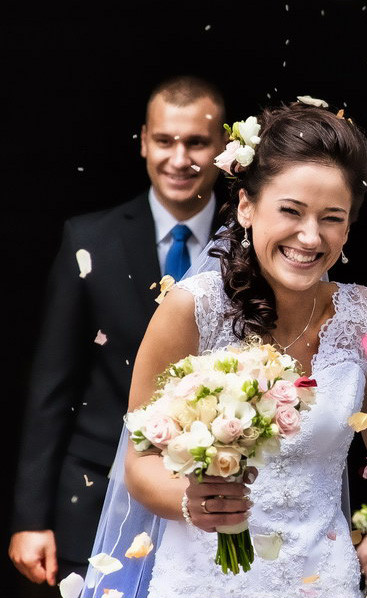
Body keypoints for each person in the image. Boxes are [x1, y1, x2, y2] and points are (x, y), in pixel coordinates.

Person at [83, 101, 367, 598]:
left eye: (331, 218)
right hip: (204, 580)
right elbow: (139, 461)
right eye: (290, 211)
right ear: (245, 206)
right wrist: (196, 501)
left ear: (348, 227)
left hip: (321, 578)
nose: (310, 236)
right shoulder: (190, 309)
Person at [8, 75, 227, 593]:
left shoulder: (254, 243)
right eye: (166, 141)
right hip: (96, 490)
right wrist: (29, 516)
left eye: (196, 142)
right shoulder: (89, 238)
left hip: (214, 499)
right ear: (144, 141)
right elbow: (52, 386)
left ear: (223, 147)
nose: (180, 158)